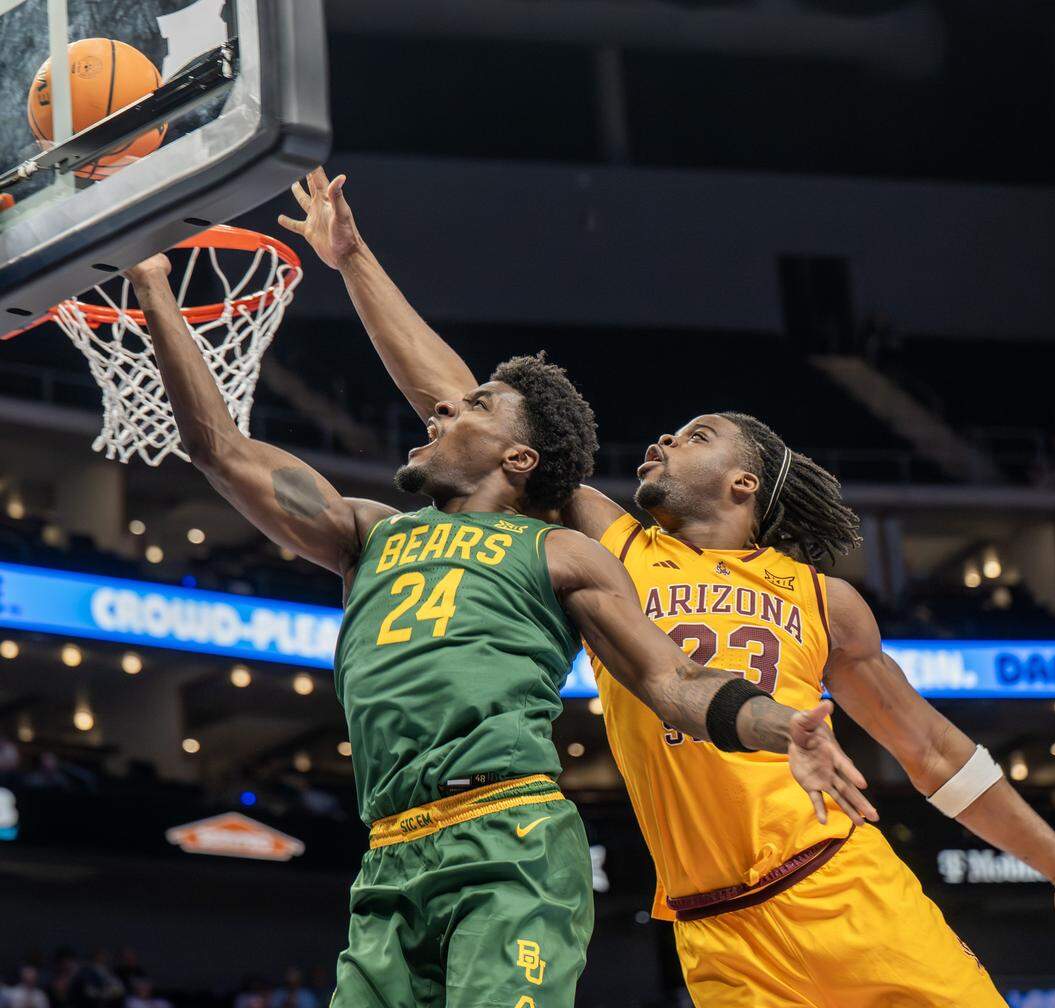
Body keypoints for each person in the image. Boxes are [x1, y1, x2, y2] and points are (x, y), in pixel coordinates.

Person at [287, 169, 1055, 1008]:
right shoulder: (616, 548)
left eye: (694, 436)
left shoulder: (824, 599)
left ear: (744, 483)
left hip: (843, 889)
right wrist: (354, 262)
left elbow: (932, 752)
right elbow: (464, 410)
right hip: (716, 934)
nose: (663, 440)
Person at [125, 251, 870, 1008]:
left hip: (509, 838)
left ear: (519, 457)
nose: (441, 411)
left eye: (469, 408)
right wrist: (153, 287)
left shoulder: (562, 552)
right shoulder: (366, 532)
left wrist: (783, 726)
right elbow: (218, 447)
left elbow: (672, 680)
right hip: (389, 851)